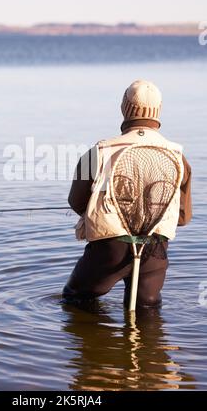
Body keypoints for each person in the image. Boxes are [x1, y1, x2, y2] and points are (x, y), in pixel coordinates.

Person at [63, 80, 192, 308]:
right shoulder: (178, 157)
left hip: (108, 250)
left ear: (124, 108)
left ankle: (95, 340)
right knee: (148, 310)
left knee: (75, 298)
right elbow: (182, 218)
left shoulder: (100, 152)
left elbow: (76, 202)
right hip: (155, 251)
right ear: (158, 110)